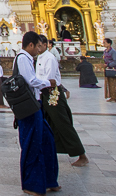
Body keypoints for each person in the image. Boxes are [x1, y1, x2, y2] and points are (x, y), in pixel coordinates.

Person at [14, 32, 60, 196]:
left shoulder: (29, 58)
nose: (40, 49)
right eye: (38, 46)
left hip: (36, 104)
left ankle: (49, 180)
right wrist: (49, 82)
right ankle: (32, 184)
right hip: (29, 108)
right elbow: (31, 81)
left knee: (46, 140)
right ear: (31, 45)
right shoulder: (22, 58)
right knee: (32, 143)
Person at [36, 35, 88, 167]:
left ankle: (81, 154)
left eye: (39, 45)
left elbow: (50, 78)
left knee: (63, 123)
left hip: (53, 93)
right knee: (48, 123)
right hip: (44, 93)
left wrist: (35, 84)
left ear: (45, 44)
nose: (37, 48)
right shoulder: (39, 58)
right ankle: (50, 150)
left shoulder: (50, 58)